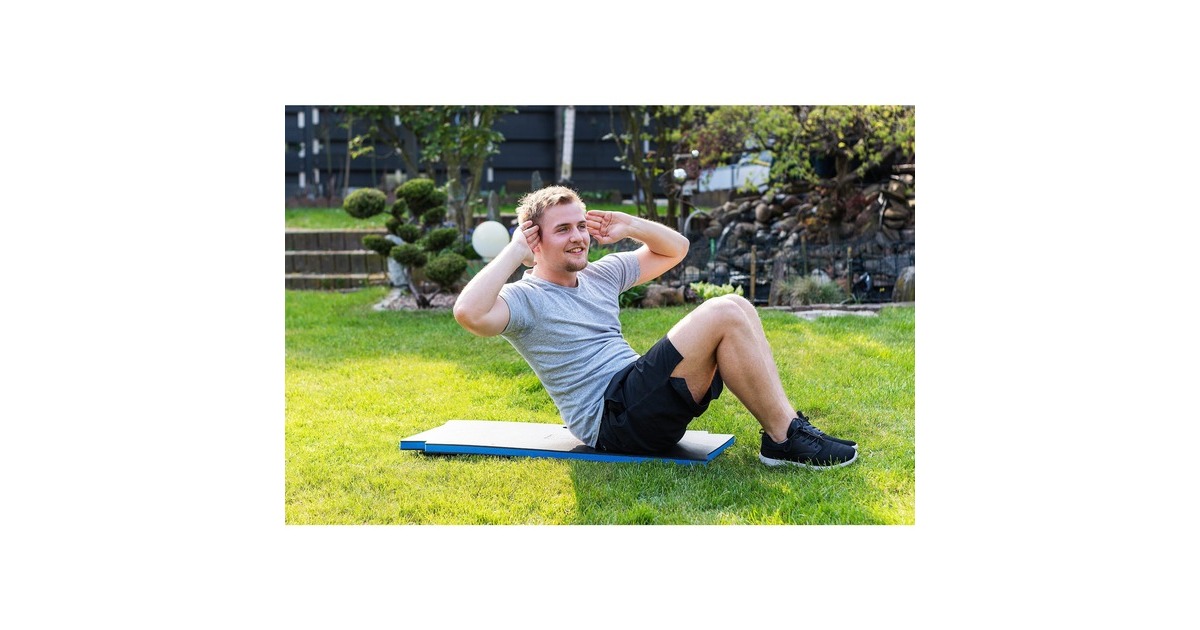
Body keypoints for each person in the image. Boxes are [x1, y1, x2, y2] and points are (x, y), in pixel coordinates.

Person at [453, 186, 857, 469]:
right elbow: (468, 312)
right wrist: (514, 251)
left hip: (636, 395)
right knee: (724, 310)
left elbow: (676, 249)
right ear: (534, 241)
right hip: (612, 421)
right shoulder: (526, 299)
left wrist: (629, 225)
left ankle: (788, 429)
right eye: (563, 229)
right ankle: (784, 440)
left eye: (580, 226)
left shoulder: (600, 274)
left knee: (739, 306)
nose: (578, 237)